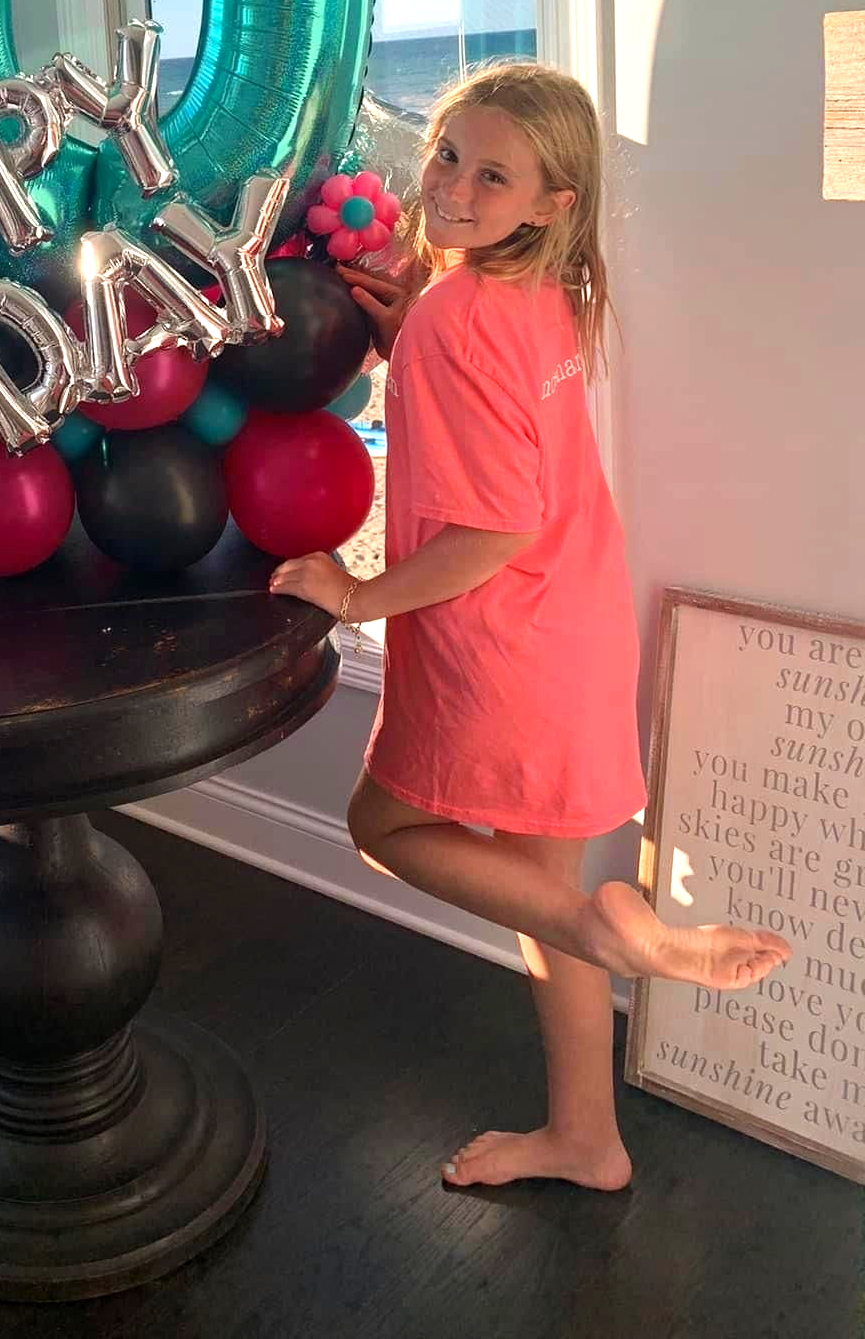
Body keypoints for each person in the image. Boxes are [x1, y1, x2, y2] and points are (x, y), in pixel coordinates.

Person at [269, 63, 791, 1192]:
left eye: (490, 172)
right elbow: (498, 422)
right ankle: (587, 1136)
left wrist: (355, 597)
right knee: (541, 903)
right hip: (575, 629)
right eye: (449, 152)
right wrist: (418, 340)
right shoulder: (545, 289)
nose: (450, 183)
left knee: (383, 825)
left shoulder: (462, 310)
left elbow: (490, 529)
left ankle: (614, 933)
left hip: (503, 646)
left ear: (551, 201)